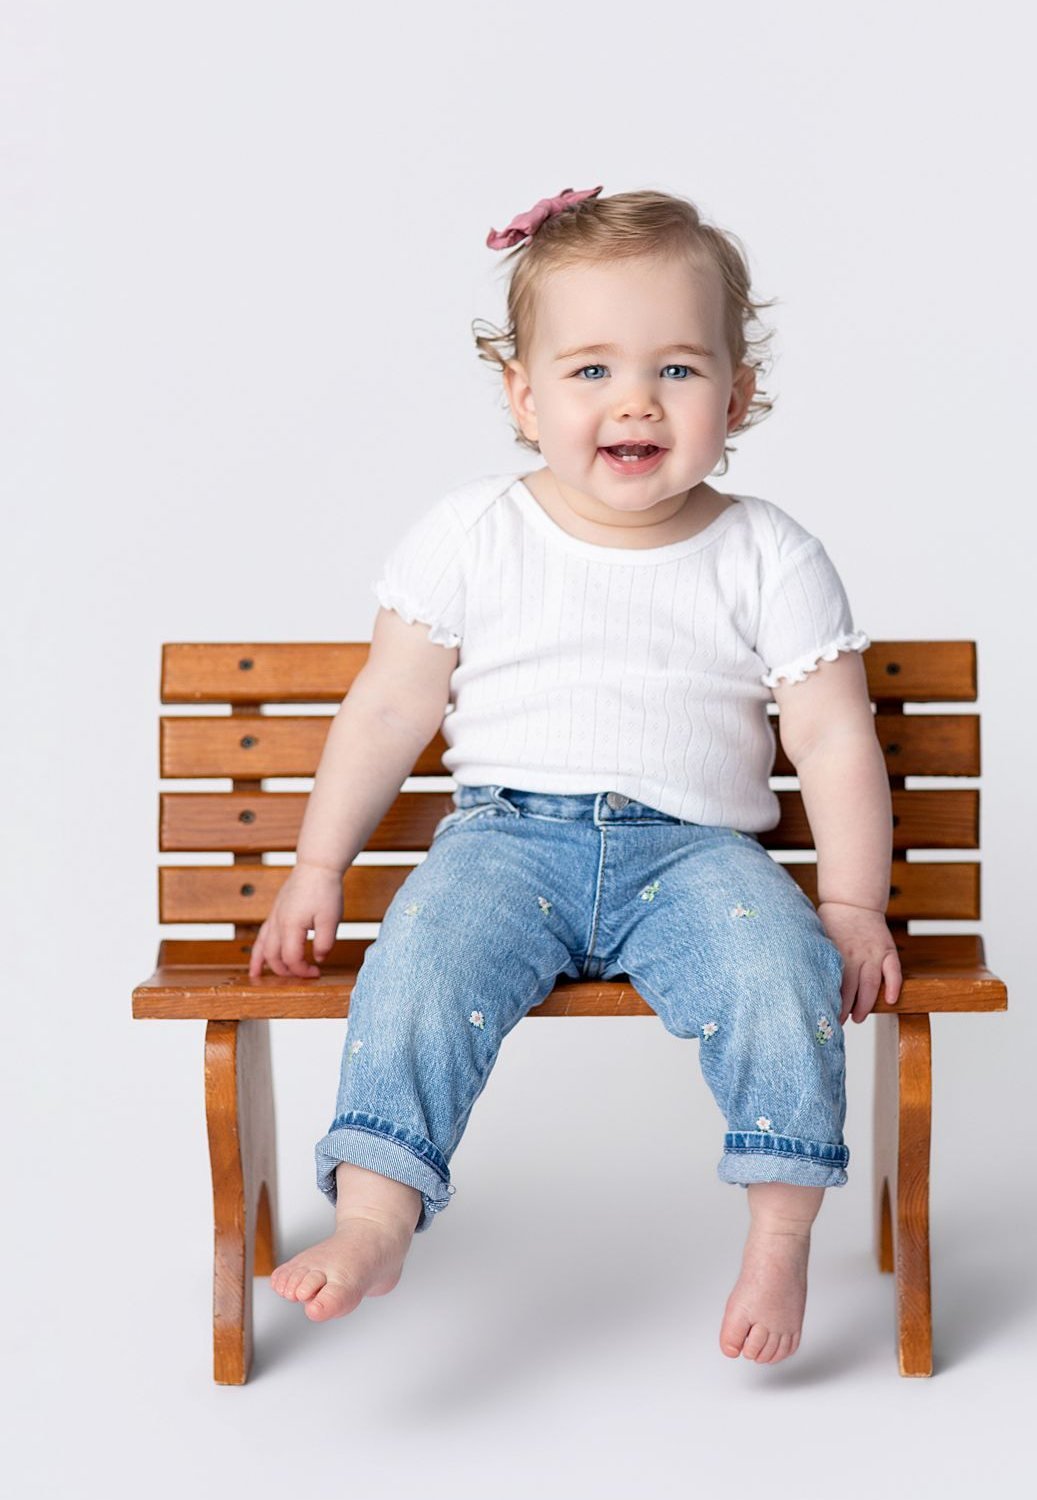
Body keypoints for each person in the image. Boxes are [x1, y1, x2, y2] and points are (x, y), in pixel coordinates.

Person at [249, 185, 903, 1366]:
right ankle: (374, 1216)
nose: (636, 400)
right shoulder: (472, 533)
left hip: (696, 856)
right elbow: (391, 704)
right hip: (507, 842)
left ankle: (781, 1229)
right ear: (524, 394)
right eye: (591, 370)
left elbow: (835, 738)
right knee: (423, 956)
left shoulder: (769, 552)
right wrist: (316, 862)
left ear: (738, 396)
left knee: (779, 964)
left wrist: (850, 904)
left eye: (680, 370)